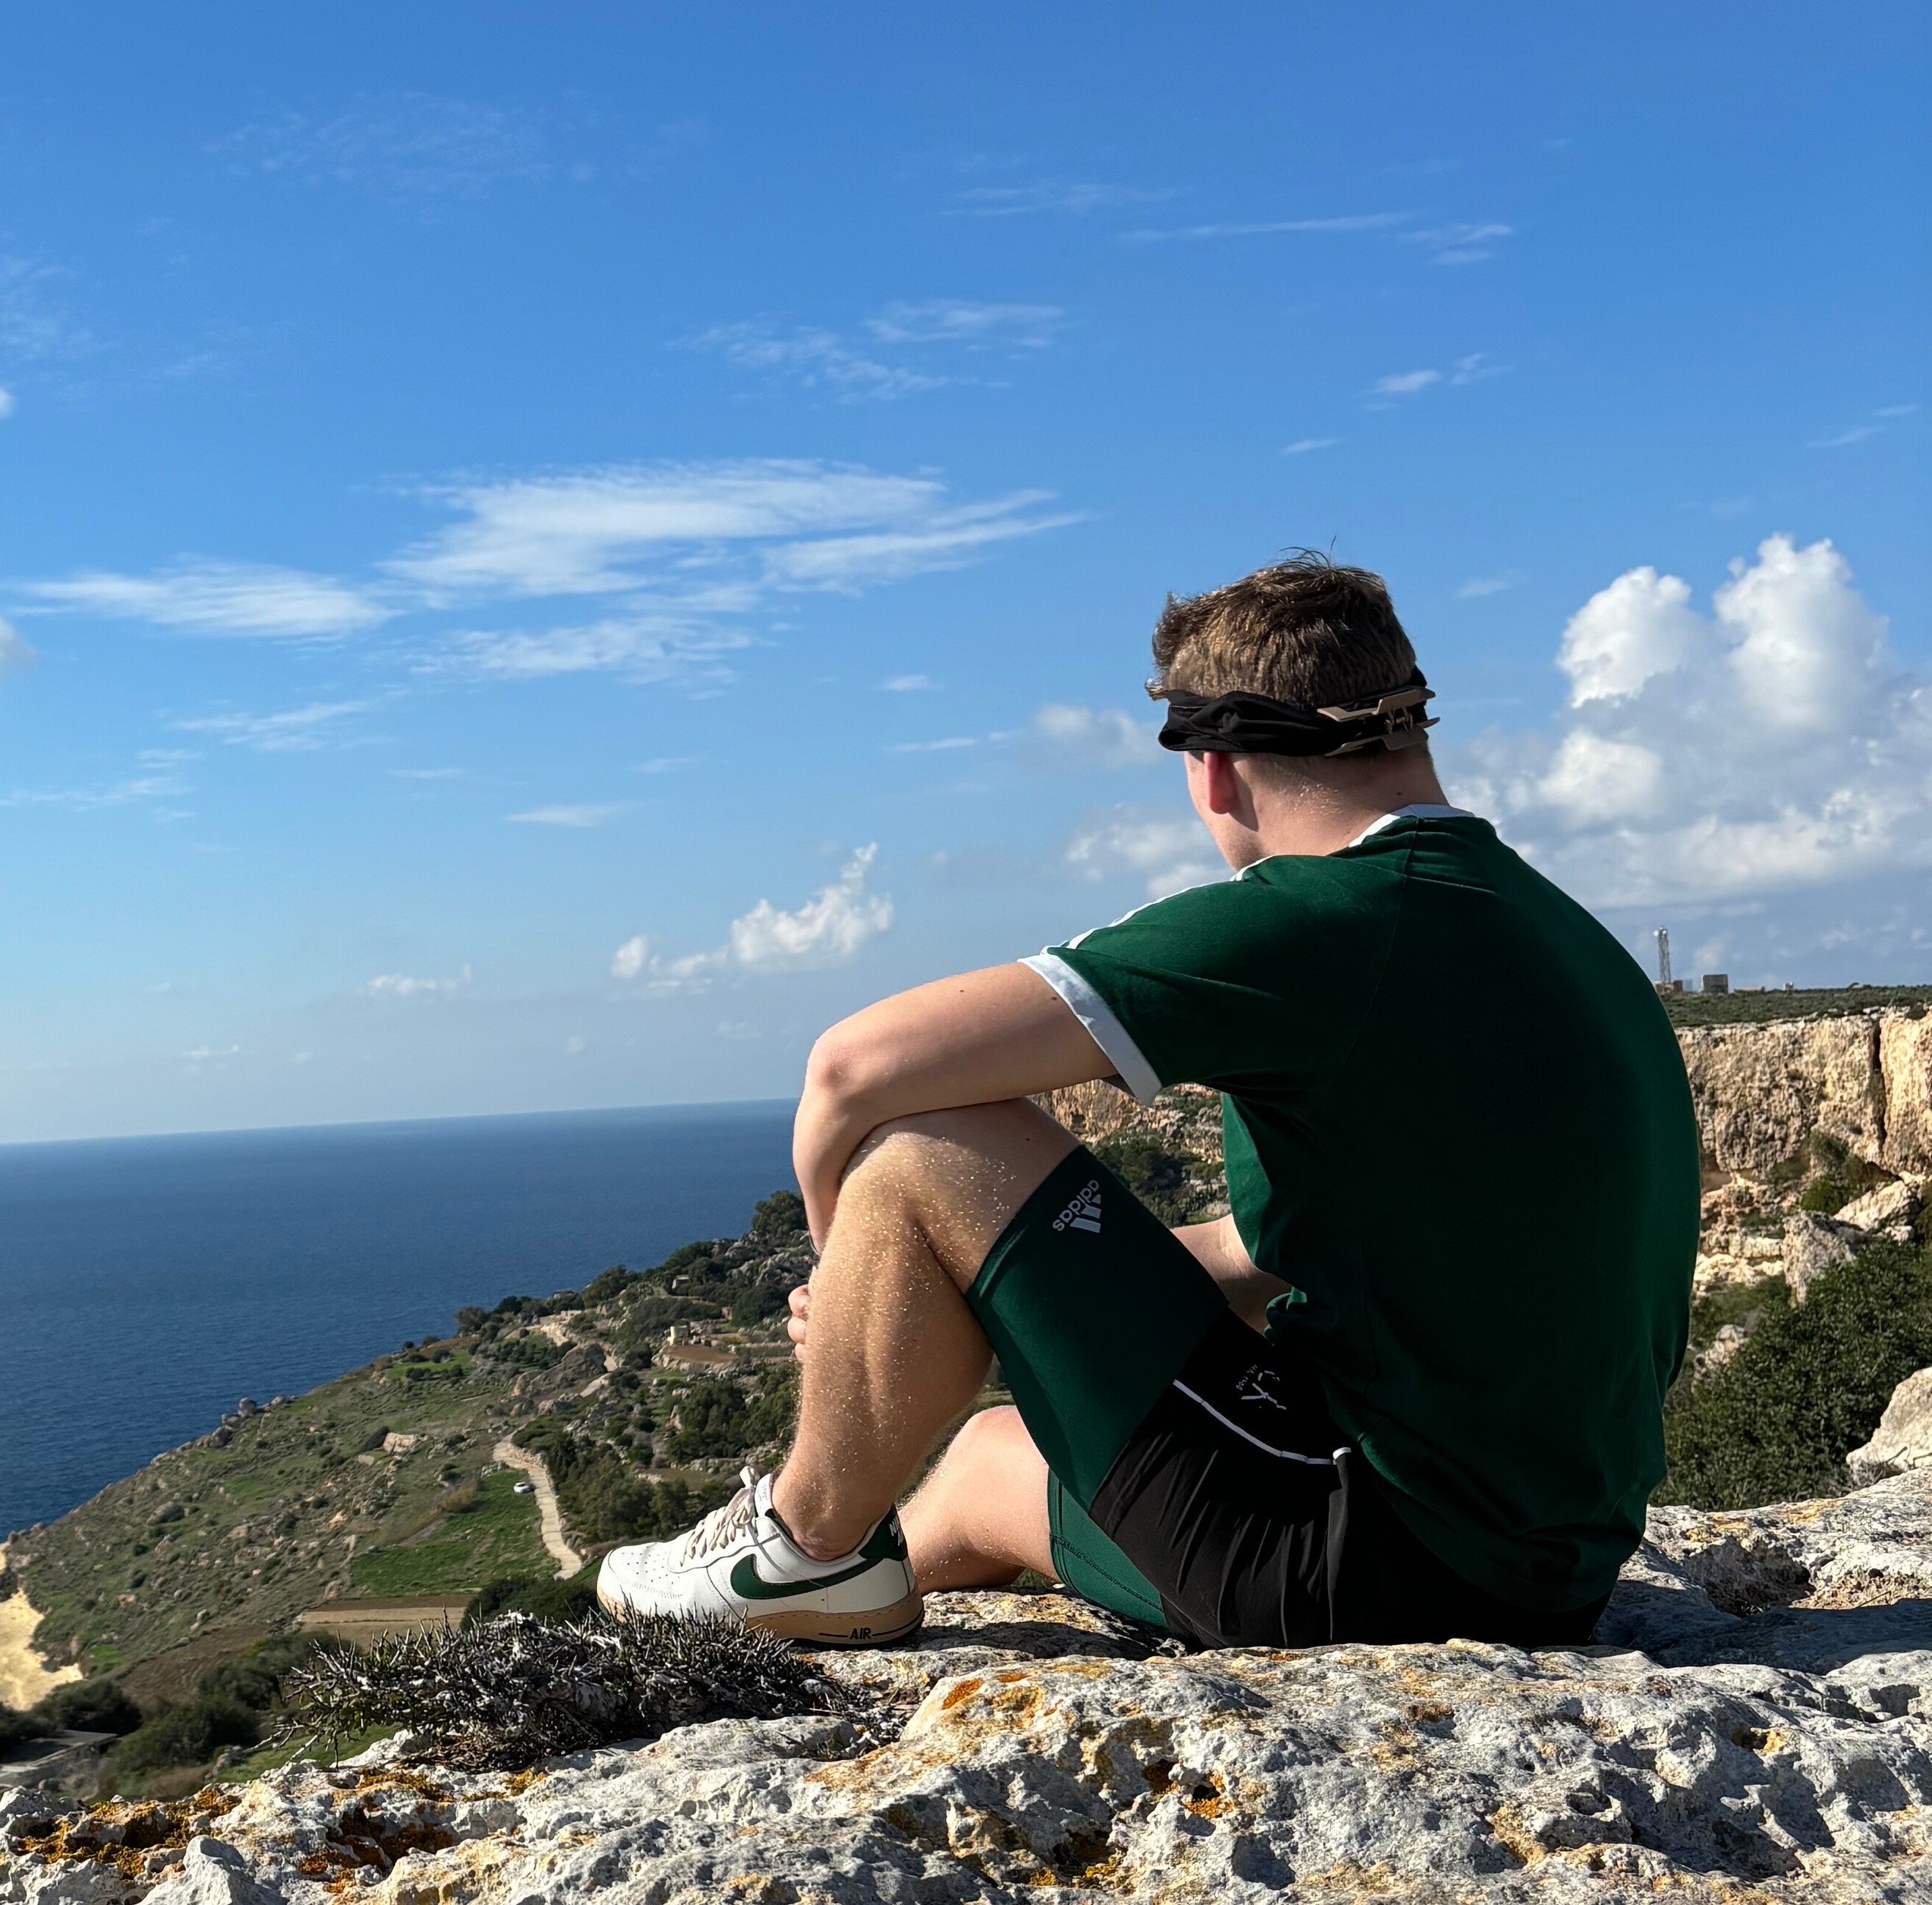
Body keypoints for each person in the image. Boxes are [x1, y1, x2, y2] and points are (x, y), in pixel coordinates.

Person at [596, 552, 1699, 1650]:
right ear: (1412, 729)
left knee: (925, 1141)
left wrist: (849, 1288)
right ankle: (835, 1600)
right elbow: (1269, 1254)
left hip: (1360, 1556)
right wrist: (1001, 1301)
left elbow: (851, 1069)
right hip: (1534, 1572)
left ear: (1212, 769)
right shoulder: (1557, 934)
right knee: (983, 1462)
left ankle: (799, 1544)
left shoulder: (1323, 918)